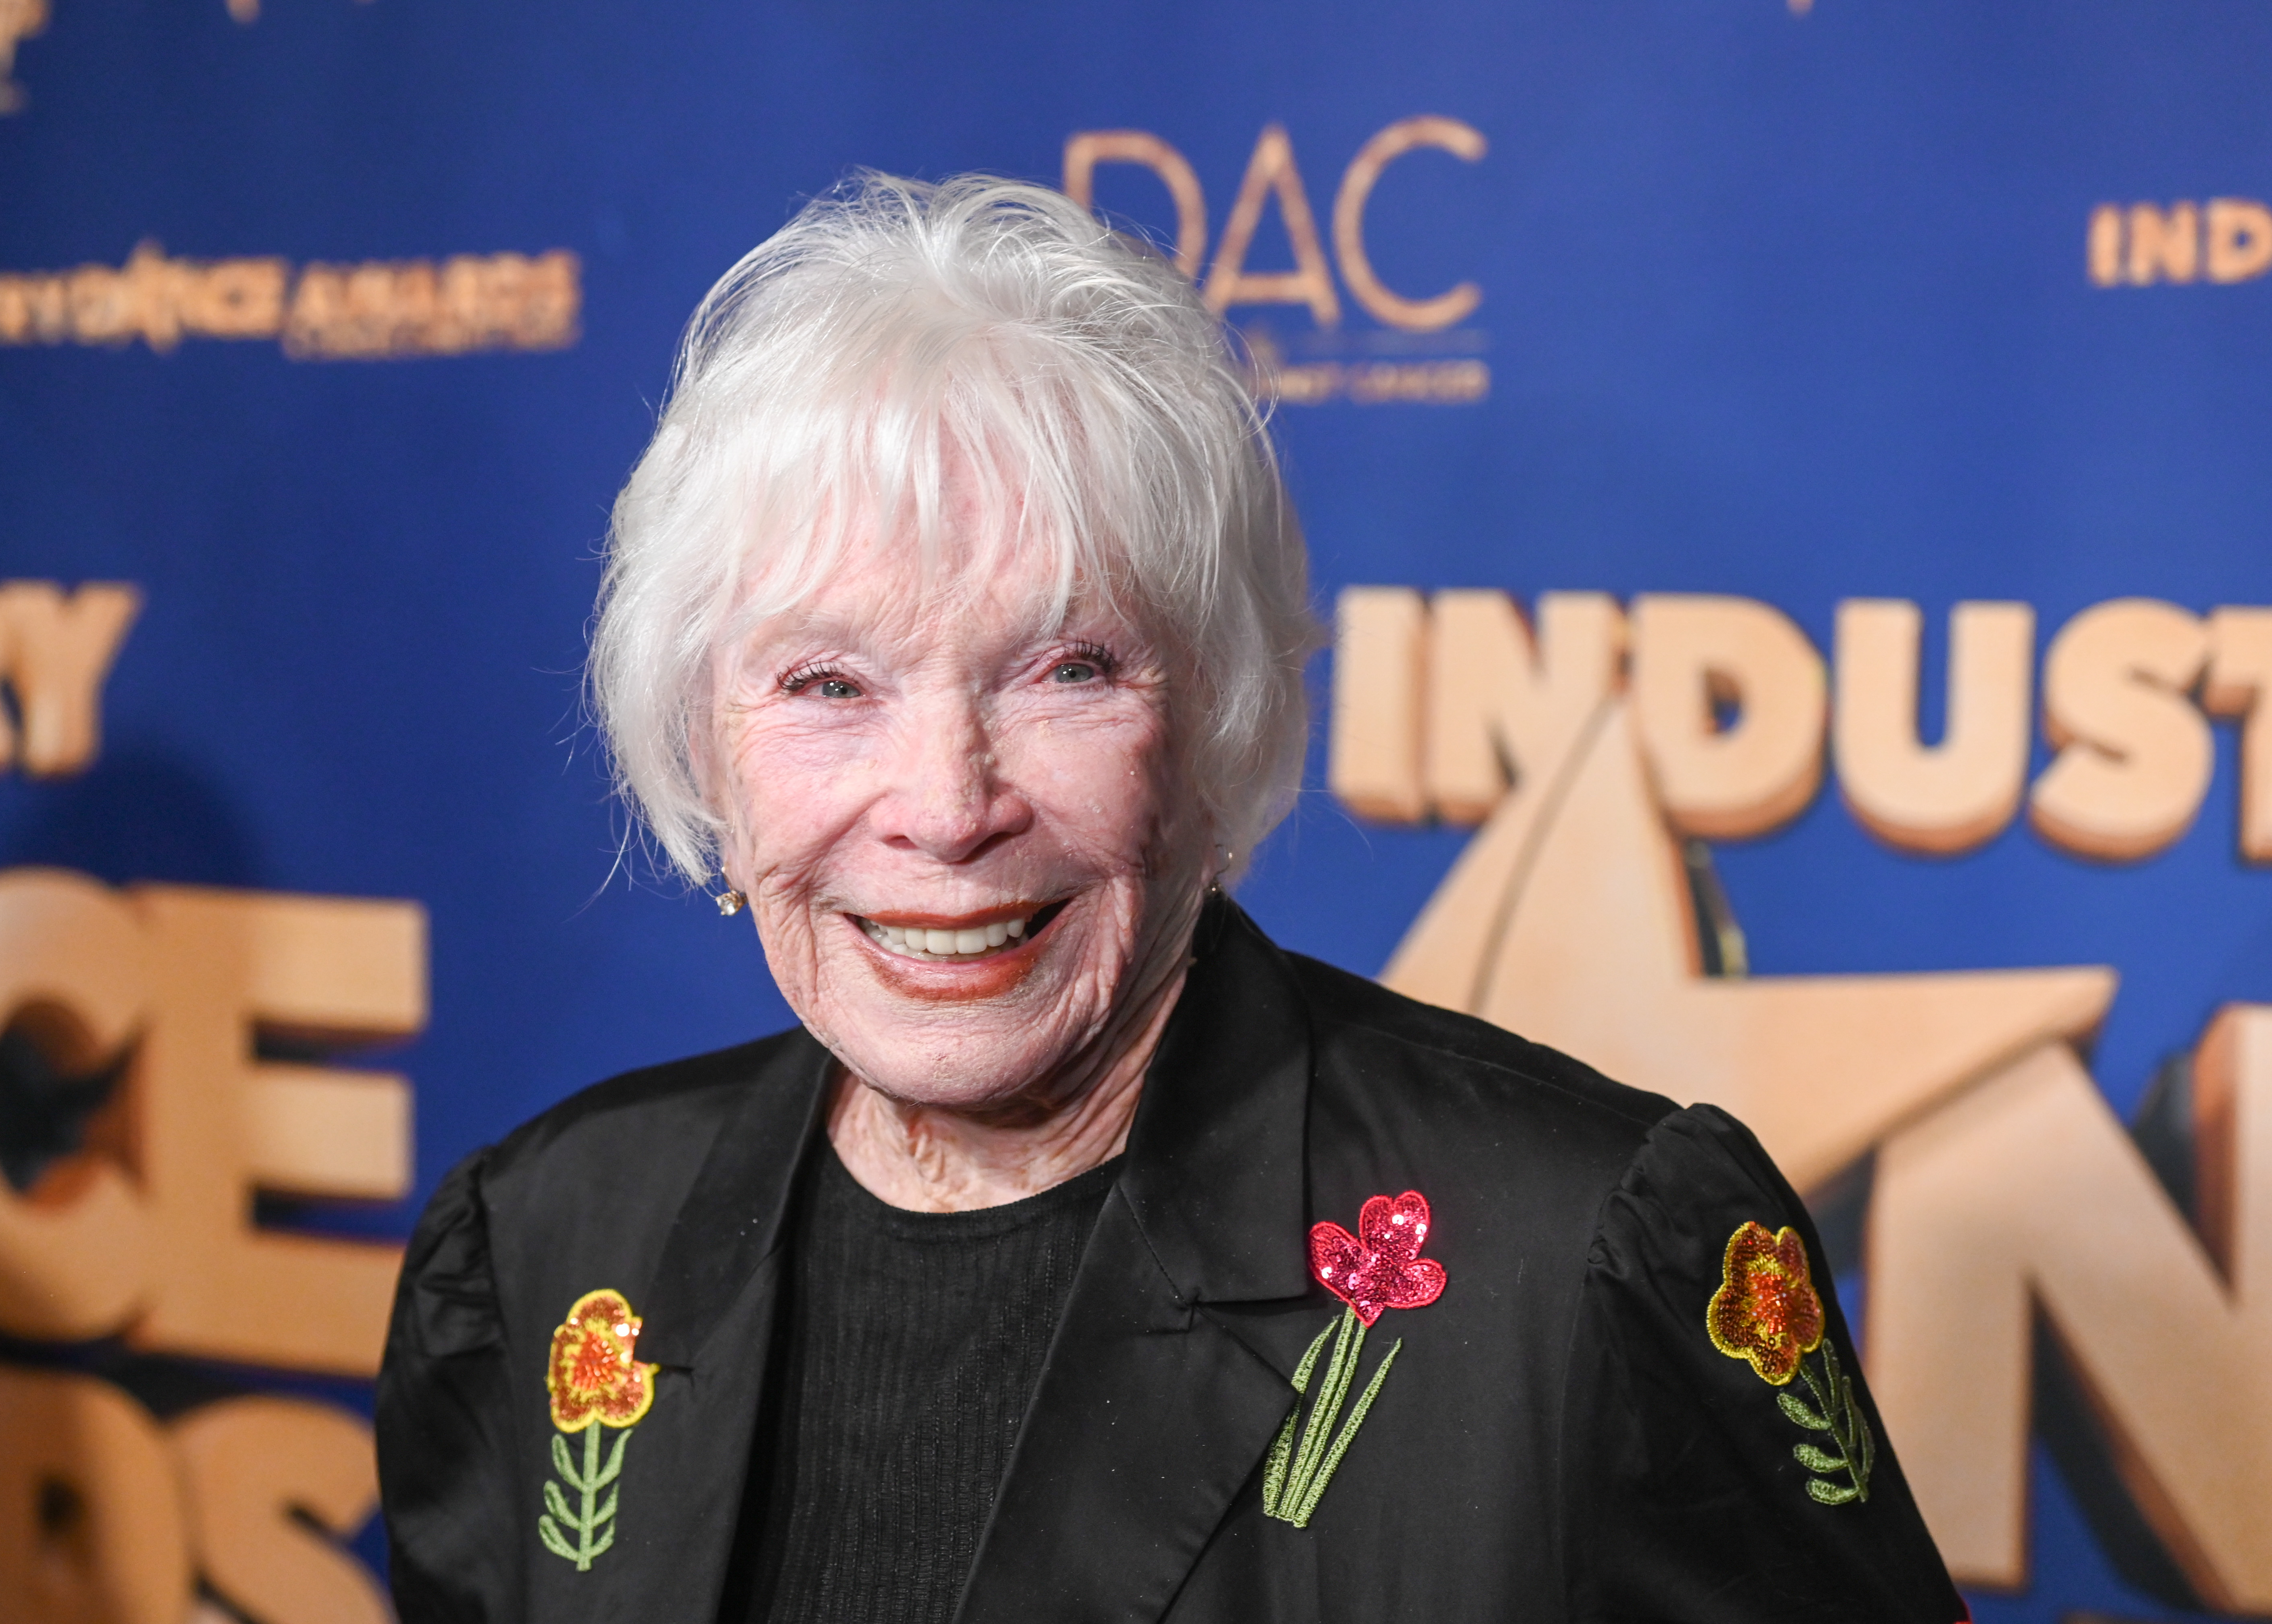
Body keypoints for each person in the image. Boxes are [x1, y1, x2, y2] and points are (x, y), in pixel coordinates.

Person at [376, 171, 1964, 1624]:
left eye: (1068, 669)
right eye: (828, 682)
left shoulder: (1589, 1265)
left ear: (1214, 729)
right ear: (705, 747)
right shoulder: (543, 1251)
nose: (944, 805)